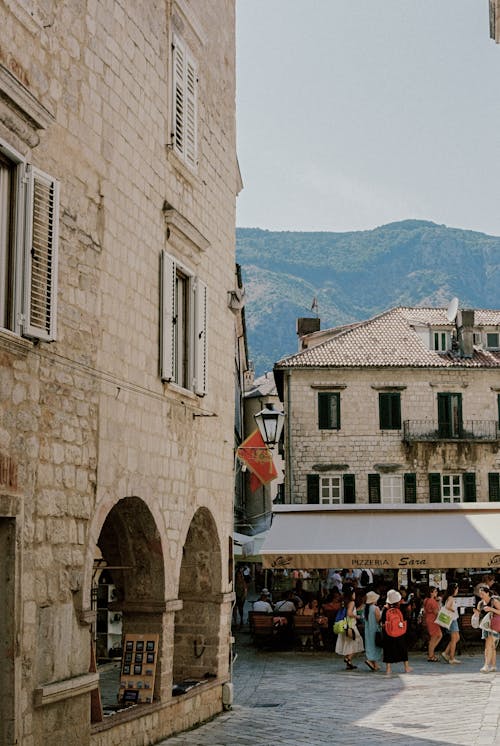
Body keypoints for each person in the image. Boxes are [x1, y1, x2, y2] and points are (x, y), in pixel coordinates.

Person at [381, 589, 412, 675]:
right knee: (403, 649)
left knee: (388, 650)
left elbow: (383, 621)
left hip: (388, 632)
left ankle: (388, 669)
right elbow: (405, 619)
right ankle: (406, 667)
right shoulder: (401, 609)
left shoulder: (385, 609)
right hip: (400, 632)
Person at [335, 585, 364, 670]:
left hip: (344, 625)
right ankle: (348, 658)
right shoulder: (352, 602)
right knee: (358, 641)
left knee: (348, 643)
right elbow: (349, 613)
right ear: (351, 594)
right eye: (353, 593)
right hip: (351, 626)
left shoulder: (344, 602)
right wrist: (357, 616)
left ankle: (349, 663)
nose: (355, 594)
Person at [476, 585, 500, 673]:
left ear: (487, 593)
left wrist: (491, 609)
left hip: (494, 625)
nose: (481, 596)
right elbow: (478, 614)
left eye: (482, 594)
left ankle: (486, 666)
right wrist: (476, 614)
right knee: (492, 646)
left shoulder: (494, 601)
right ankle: (493, 666)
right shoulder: (480, 603)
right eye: (480, 594)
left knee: (488, 646)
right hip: (485, 626)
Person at [440, 582, 461, 664]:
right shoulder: (451, 598)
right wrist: (453, 610)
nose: (457, 591)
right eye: (457, 589)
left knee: (456, 638)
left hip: (453, 620)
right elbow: (448, 606)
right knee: (454, 639)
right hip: (452, 620)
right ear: (454, 590)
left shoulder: (449, 597)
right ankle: (451, 657)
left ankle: (446, 653)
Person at [363, 590, 382, 671]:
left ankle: (375, 664)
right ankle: (370, 661)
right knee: (376, 646)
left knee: (370, 645)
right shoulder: (375, 608)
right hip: (375, 630)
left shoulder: (365, 608)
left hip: (368, 630)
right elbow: (378, 619)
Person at [423, 586, 442, 662]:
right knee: (434, 637)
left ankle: (431, 652)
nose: (436, 593)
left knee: (438, 635)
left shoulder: (426, 600)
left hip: (429, 619)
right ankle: (431, 655)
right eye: (435, 591)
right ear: (431, 593)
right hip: (433, 620)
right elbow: (436, 612)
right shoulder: (432, 601)